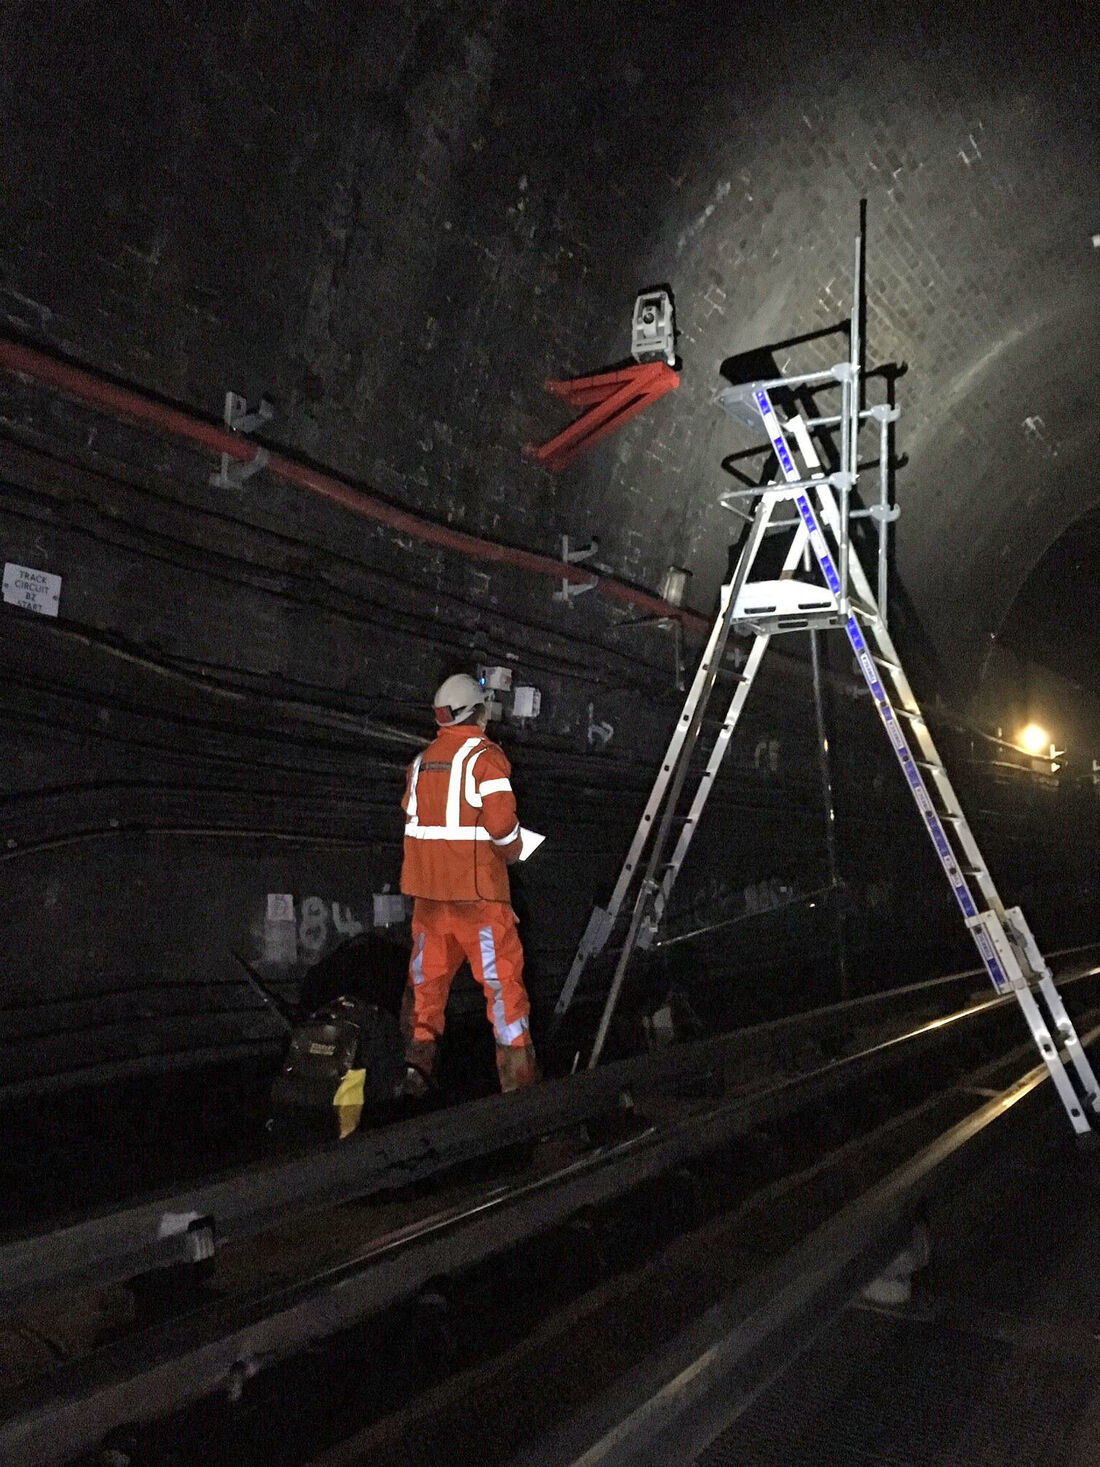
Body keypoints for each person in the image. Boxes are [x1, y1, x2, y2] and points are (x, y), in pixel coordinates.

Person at [398, 673, 539, 1095]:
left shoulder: (419, 764)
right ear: (479, 712)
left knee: (425, 997)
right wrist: (515, 850)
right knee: (504, 996)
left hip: (430, 903)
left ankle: (413, 1085)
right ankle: (522, 1097)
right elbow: (501, 826)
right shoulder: (485, 758)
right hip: (478, 901)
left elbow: (417, 823)